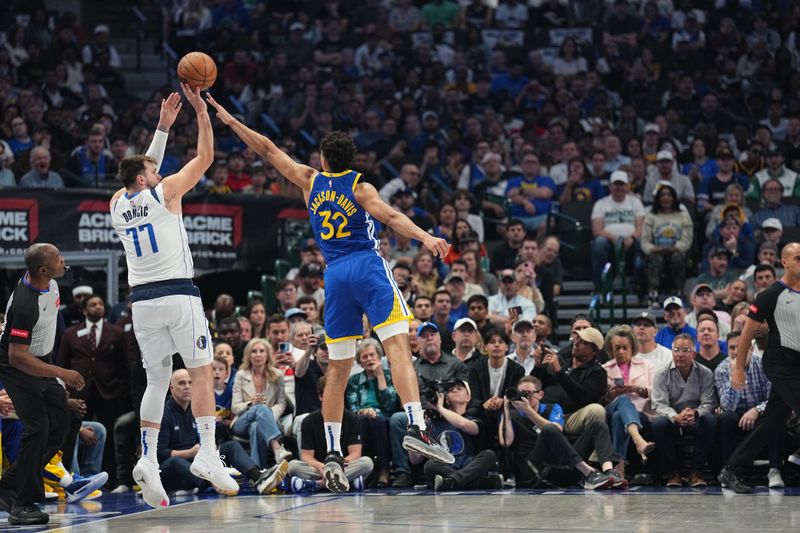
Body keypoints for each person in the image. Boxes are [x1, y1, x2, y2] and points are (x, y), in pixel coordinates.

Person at [207, 96, 455, 495]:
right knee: (397, 350)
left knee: (337, 370)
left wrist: (231, 121)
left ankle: (335, 451)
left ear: (323, 158)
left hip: (335, 275)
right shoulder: (360, 186)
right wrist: (426, 237)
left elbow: (268, 150)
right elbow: (390, 218)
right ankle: (417, 427)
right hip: (367, 267)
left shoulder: (310, 180)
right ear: (351, 160)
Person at [109, 86, 238, 508]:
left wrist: (163, 128)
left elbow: (142, 171)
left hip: (142, 302)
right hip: (178, 295)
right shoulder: (165, 194)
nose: (161, 173)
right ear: (146, 179)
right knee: (202, 371)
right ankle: (208, 453)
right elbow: (205, 159)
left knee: (157, 380)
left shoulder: (115, 204)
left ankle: (146, 457)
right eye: (155, 170)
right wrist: (200, 113)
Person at [0, 243, 85, 525]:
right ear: (43, 270)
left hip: (40, 359)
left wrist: (56, 376)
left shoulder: (53, 285)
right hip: (17, 365)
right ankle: (22, 505)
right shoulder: (25, 303)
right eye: (59, 259)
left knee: (61, 424)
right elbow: (17, 356)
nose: (64, 261)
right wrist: (64, 373)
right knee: (38, 428)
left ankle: (8, 485)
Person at [719, 242, 800, 493]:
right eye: (798, 258)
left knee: (771, 423)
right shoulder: (769, 295)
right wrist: (739, 368)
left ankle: (730, 470)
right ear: (784, 263)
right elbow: (747, 333)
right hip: (779, 362)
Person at [157, 369, 288, 496]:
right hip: (171, 471)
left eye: (190, 383)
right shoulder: (164, 413)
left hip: (197, 464)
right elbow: (161, 453)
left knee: (231, 447)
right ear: (171, 388)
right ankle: (215, 480)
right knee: (177, 462)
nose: (187, 387)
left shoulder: (196, 408)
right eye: (181, 383)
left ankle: (258, 478)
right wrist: (189, 453)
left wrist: (209, 447)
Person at [714, 331, 783, 489]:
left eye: (741, 347)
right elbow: (727, 406)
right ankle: (729, 470)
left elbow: (773, 400)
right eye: (732, 347)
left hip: (759, 415)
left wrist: (756, 410)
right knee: (726, 418)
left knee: (776, 415)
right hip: (736, 417)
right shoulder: (722, 370)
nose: (736, 352)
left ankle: (774, 469)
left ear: (751, 349)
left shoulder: (764, 365)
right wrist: (736, 376)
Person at [651, 333, 718, 488]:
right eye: (676, 350)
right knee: (658, 424)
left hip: (695, 418)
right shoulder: (661, 373)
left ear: (693, 354)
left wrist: (695, 413)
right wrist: (675, 416)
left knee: (711, 420)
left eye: (685, 350)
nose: (680, 354)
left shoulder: (705, 373)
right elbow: (659, 405)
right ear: (672, 352)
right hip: (672, 419)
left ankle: (696, 472)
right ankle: (673, 473)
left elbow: (709, 403)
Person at [602, 328, 655, 476]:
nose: (621, 352)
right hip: (611, 410)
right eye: (617, 348)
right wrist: (611, 395)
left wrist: (638, 389)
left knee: (620, 416)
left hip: (641, 412)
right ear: (611, 350)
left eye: (625, 348)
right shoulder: (604, 368)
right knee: (622, 400)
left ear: (632, 348)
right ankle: (639, 440)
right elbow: (601, 400)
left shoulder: (647, 365)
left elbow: (656, 392)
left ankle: (619, 466)